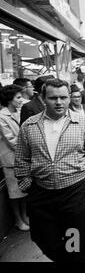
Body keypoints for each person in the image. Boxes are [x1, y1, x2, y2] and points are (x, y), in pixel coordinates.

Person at [15, 79, 85, 262]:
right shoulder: (29, 126)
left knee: (74, 240)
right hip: (41, 193)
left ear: (69, 98)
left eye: (63, 97)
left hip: (75, 192)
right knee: (42, 237)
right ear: (42, 98)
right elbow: (22, 159)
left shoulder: (83, 123)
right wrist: (27, 184)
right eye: (53, 98)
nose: (59, 102)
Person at [0, 84, 29, 231]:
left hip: (23, 158)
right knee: (15, 192)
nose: (21, 100)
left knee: (23, 190)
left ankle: (24, 216)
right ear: (9, 99)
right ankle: (18, 219)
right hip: (11, 160)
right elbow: (11, 140)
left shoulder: (19, 112)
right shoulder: (2, 116)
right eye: (18, 97)